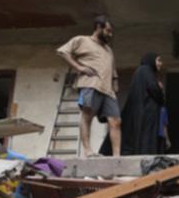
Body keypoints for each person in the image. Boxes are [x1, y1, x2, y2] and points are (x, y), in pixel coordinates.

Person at [56, 15, 120, 157]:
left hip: (108, 89)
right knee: (87, 116)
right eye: (108, 31)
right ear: (98, 27)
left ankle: (117, 156)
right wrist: (79, 67)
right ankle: (87, 150)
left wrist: (115, 81)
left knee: (115, 121)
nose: (110, 34)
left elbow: (113, 68)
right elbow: (62, 51)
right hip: (90, 85)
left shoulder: (109, 49)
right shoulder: (82, 40)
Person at [116, 52, 165, 155]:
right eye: (159, 60)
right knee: (147, 138)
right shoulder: (146, 70)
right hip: (147, 113)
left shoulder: (141, 72)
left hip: (144, 112)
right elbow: (153, 89)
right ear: (151, 60)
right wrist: (160, 90)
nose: (161, 63)